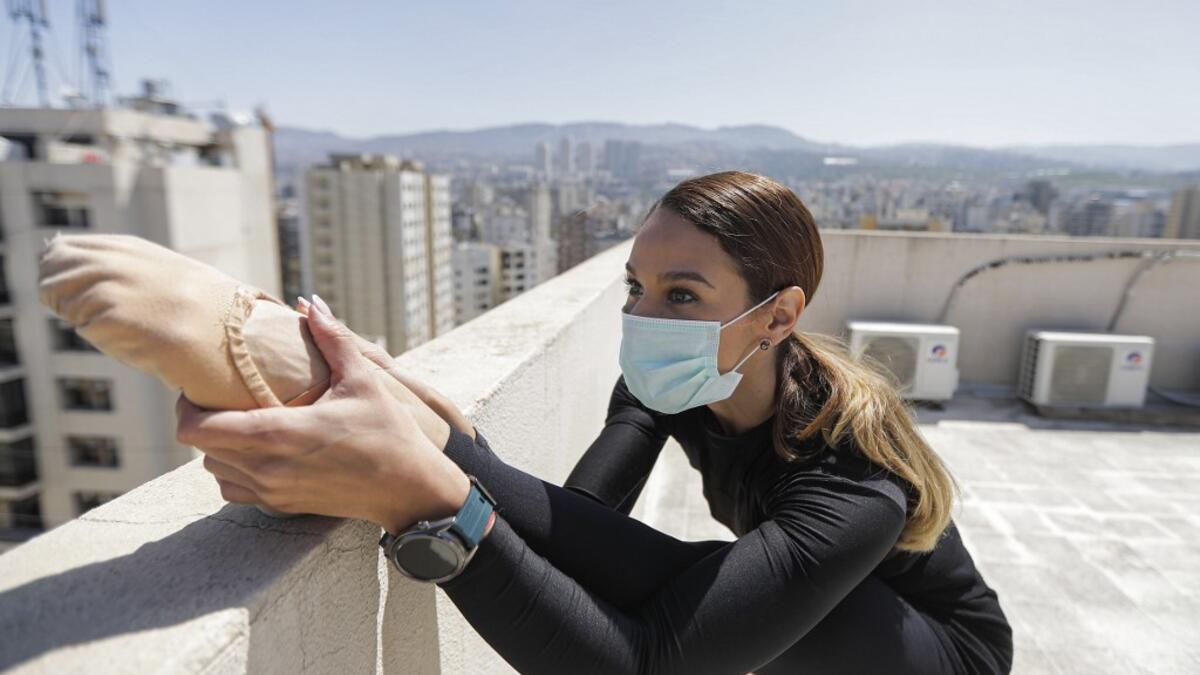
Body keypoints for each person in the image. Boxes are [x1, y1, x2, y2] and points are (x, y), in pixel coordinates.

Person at [176, 171, 1013, 674]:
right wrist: (437, 427)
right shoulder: (673, 380)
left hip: (936, 654)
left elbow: (645, 661)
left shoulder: (855, 481)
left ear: (777, 315)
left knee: (719, 589)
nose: (645, 316)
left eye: (682, 294)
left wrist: (442, 490)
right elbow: (582, 521)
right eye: (636, 288)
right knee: (698, 585)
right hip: (825, 605)